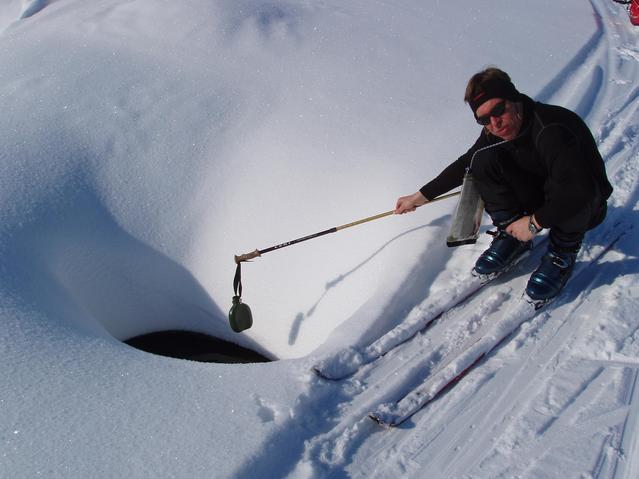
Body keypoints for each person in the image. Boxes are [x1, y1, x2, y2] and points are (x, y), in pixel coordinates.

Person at [395, 67, 612, 301]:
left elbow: (580, 191)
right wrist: (420, 197)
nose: (495, 124)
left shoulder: (552, 129)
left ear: (514, 98)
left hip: (584, 203)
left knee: (570, 190)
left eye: (499, 110)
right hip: (542, 193)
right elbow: (467, 163)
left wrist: (534, 223)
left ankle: (562, 253)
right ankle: (512, 235)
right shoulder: (496, 131)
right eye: (484, 120)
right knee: (483, 160)